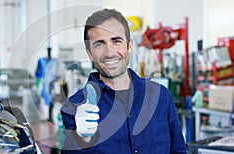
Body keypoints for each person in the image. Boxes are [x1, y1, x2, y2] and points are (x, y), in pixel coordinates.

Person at [60, 8, 187, 153]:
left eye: (116, 41)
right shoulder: (74, 107)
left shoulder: (160, 95)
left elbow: (178, 149)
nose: (110, 52)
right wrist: (82, 140)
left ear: (129, 46)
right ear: (89, 53)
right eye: (99, 44)